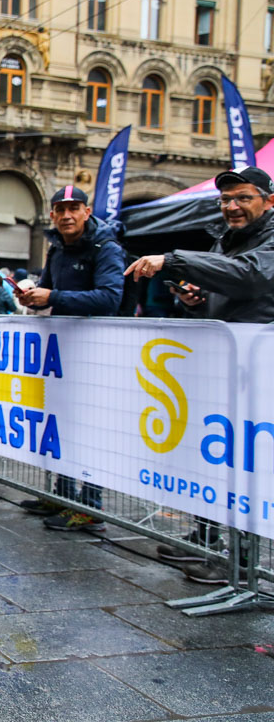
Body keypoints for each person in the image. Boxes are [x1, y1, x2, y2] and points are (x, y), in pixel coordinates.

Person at [126, 166, 274, 582]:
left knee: (246, 465)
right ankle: (206, 538)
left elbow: (251, 278)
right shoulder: (225, 239)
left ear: (268, 200)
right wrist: (197, 297)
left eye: (243, 198)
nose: (232, 207)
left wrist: (175, 261)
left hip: (257, 371)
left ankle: (240, 562)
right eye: (226, 200)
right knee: (216, 459)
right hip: (224, 365)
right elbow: (226, 289)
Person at [17, 185, 125, 532]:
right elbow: (49, 293)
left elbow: (109, 298)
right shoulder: (57, 249)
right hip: (61, 352)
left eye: (73, 208)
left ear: (87, 212)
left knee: (88, 428)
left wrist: (54, 295)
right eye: (60, 210)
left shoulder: (105, 246)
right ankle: (62, 495)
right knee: (59, 423)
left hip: (95, 352)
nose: (66, 215)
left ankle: (90, 507)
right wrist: (32, 296)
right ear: (51, 215)